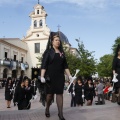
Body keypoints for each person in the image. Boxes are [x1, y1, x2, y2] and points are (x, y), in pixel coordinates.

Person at [40, 31, 72, 120]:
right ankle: (47, 109)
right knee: (49, 95)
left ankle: (60, 114)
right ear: (52, 42)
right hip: (50, 77)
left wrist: (69, 76)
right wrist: (42, 76)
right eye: (56, 40)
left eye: (59, 40)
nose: (58, 41)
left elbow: (65, 66)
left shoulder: (62, 53)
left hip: (60, 77)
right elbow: (44, 65)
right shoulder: (48, 52)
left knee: (59, 94)